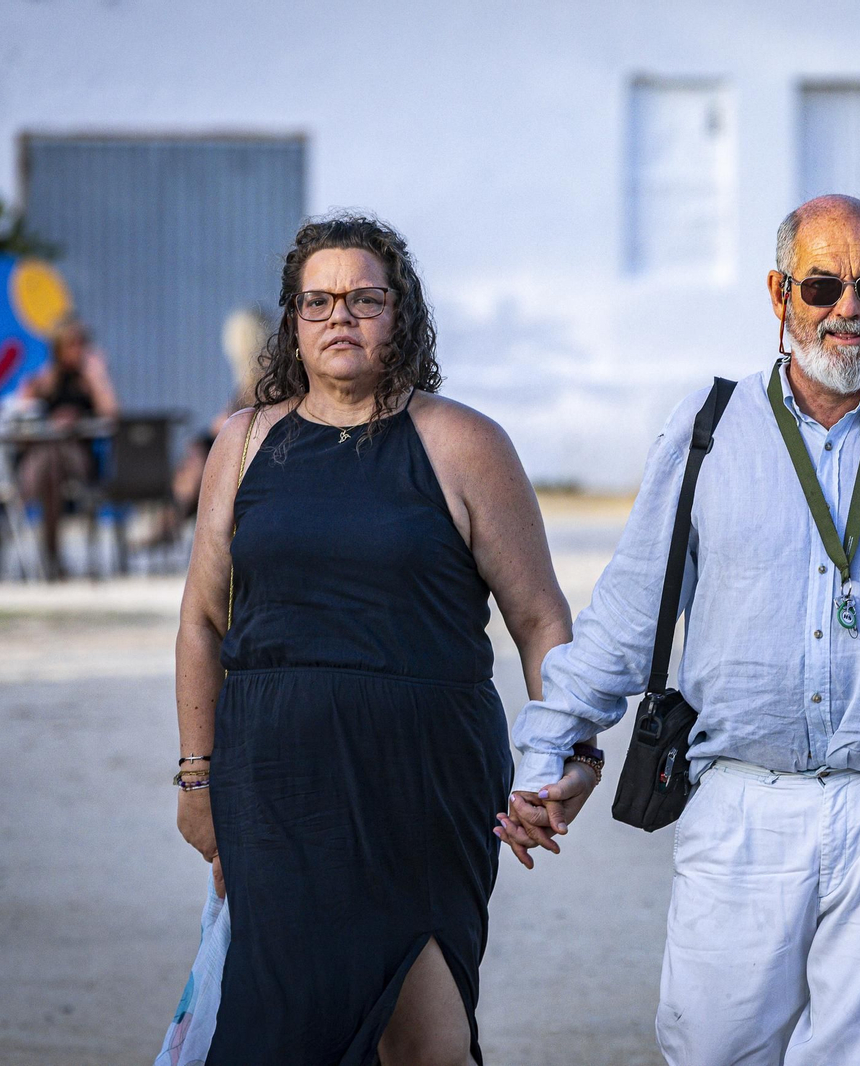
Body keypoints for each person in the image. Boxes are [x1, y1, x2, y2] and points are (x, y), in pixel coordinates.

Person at [499, 194, 860, 1064]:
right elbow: (628, 613)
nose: (849, 309)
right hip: (740, 806)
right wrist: (548, 753)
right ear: (779, 294)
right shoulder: (708, 432)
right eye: (822, 285)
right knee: (712, 1049)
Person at [173, 213, 572, 1066]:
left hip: (425, 785)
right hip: (275, 784)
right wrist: (196, 773)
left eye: (363, 298)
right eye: (317, 303)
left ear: (402, 313)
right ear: (291, 320)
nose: (339, 318)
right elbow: (204, 620)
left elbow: (540, 619)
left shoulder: (463, 443)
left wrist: (558, 759)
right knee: (272, 1036)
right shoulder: (243, 444)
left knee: (426, 1042)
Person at [15, 316, 119, 579]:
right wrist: (35, 394)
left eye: (81, 343)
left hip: (79, 457)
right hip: (49, 456)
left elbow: (112, 415)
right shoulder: (47, 379)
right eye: (71, 344)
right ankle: (52, 560)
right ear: (58, 348)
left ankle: (22, 499)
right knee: (50, 462)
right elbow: (19, 414)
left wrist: (97, 377)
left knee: (51, 459)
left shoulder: (89, 379)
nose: (77, 349)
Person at [160, 308, 267, 542]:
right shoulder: (251, 381)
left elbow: (235, 420)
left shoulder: (258, 381)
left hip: (246, 450)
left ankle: (171, 520)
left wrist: (212, 432)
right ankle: (171, 520)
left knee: (198, 457)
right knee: (196, 454)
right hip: (238, 445)